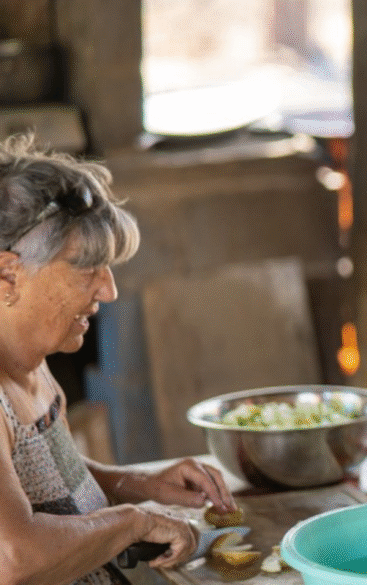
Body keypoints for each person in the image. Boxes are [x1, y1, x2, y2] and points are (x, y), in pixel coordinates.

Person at [0, 135, 238, 585]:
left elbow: (40, 481)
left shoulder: (32, 364)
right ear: (9, 274)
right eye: (87, 270)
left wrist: (139, 483)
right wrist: (134, 521)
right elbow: (13, 558)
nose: (108, 291)